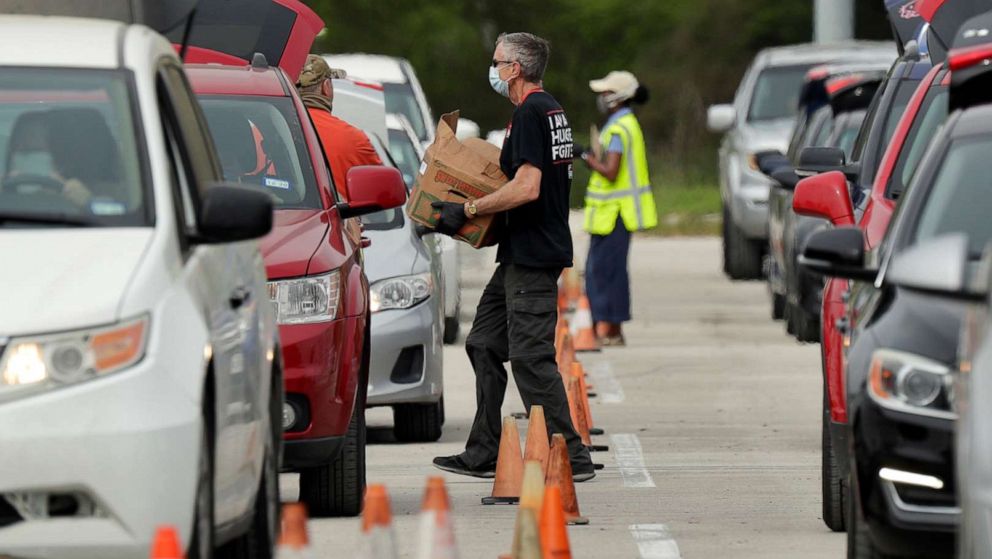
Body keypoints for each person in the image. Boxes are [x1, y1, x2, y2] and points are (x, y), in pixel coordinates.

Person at [430, 32, 595, 481]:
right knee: (484, 343)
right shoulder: (550, 110)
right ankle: (484, 450)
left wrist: (465, 209)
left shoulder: (530, 113)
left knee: (529, 356)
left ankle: (571, 456)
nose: (494, 68)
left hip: (533, 255)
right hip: (520, 253)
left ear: (515, 68)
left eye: (498, 61)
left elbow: (527, 187)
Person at [578, 71, 657, 346]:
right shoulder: (624, 123)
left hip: (615, 213)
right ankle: (611, 328)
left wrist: (588, 160)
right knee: (607, 270)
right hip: (612, 214)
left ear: (615, 97)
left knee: (605, 272)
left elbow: (611, 171)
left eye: (604, 93)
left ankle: (610, 329)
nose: (601, 98)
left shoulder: (619, 128)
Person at [296, 55, 381, 196]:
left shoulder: (265, 133)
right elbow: (382, 195)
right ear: (326, 87)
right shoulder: (355, 140)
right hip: (336, 218)